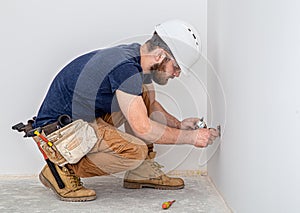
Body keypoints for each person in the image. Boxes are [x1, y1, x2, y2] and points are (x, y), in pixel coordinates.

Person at [32, 19, 219, 202]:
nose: (176, 74)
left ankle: (141, 172)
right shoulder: (126, 69)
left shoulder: (136, 57)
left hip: (81, 119)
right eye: (176, 67)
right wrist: (191, 138)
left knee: (143, 94)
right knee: (135, 151)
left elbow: (150, 107)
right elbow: (143, 128)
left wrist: (179, 124)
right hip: (58, 131)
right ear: (161, 55)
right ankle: (59, 170)